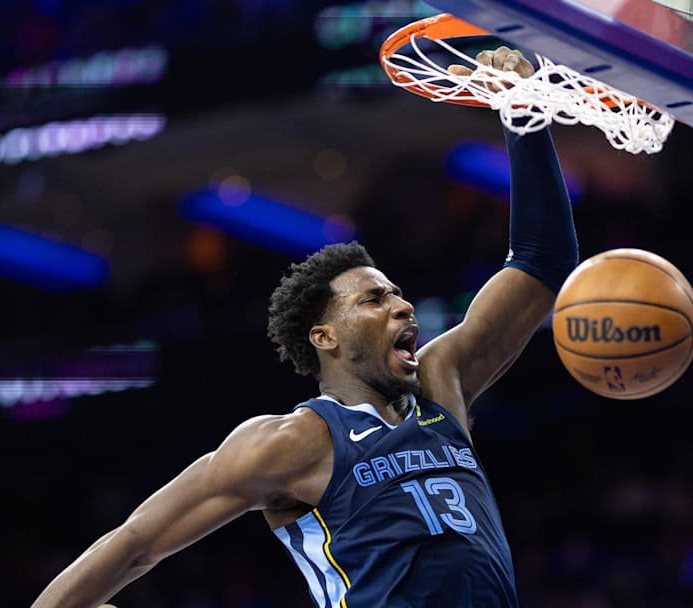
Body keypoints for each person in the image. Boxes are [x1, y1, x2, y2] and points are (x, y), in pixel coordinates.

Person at [32, 46, 578, 608]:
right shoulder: (295, 441)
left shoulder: (443, 383)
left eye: (396, 293)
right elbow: (137, 542)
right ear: (325, 337)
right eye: (373, 299)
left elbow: (541, 262)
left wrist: (523, 114)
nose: (403, 307)